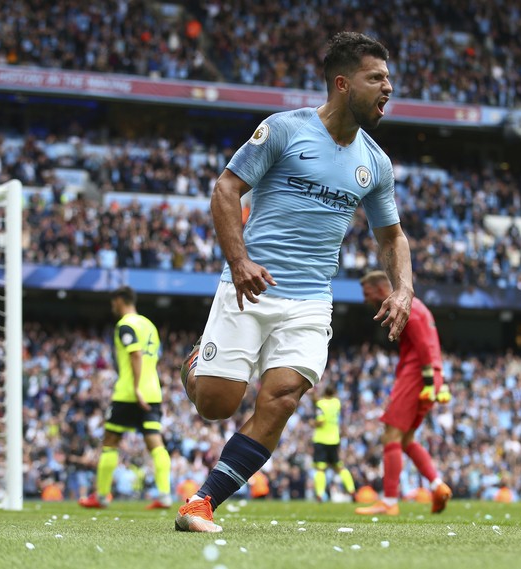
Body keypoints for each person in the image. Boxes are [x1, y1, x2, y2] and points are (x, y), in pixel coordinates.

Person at [175, 32, 413, 533]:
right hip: (250, 286)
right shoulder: (284, 130)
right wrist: (238, 261)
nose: (388, 87)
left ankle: (201, 503)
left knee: (282, 397)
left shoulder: (376, 163)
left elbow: (391, 237)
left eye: (389, 78)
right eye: (377, 78)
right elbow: (226, 189)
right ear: (343, 84)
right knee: (217, 405)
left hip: (309, 300)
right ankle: (197, 362)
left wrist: (403, 288)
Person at [354, 270, 452, 516]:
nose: (366, 300)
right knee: (406, 440)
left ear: (379, 290)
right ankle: (437, 486)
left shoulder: (409, 308)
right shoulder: (418, 306)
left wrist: (429, 379)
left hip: (417, 374)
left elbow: (423, 346)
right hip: (428, 374)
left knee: (391, 436)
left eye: (367, 294)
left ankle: (388, 501)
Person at [79, 286, 172, 510]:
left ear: (120, 300)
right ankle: (165, 495)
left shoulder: (126, 325)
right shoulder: (149, 325)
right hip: (153, 392)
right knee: (155, 442)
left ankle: (101, 496)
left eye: (113, 302)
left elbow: (136, 354)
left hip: (130, 392)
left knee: (111, 441)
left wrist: (136, 387)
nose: (113, 307)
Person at [311, 384, 356, 502]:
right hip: (334, 439)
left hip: (321, 439)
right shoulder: (337, 403)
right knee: (339, 467)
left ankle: (320, 494)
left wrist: (312, 423)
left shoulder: (320, 404)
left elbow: (320, 421)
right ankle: (352, 490)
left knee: (320, 468)